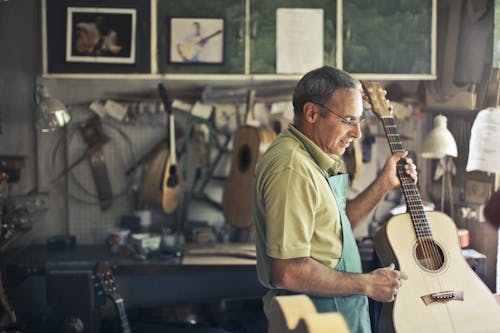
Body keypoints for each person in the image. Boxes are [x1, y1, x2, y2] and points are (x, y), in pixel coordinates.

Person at [252, 66, 417, 332]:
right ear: (312, 113)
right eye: (349, 120)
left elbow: (333, 231)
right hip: (314, 320)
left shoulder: (312, 159)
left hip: (339, 316)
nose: (357, 133)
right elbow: (288, 271)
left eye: (359, 121)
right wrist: (367, 284)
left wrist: (384, 184)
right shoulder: (293, 168)